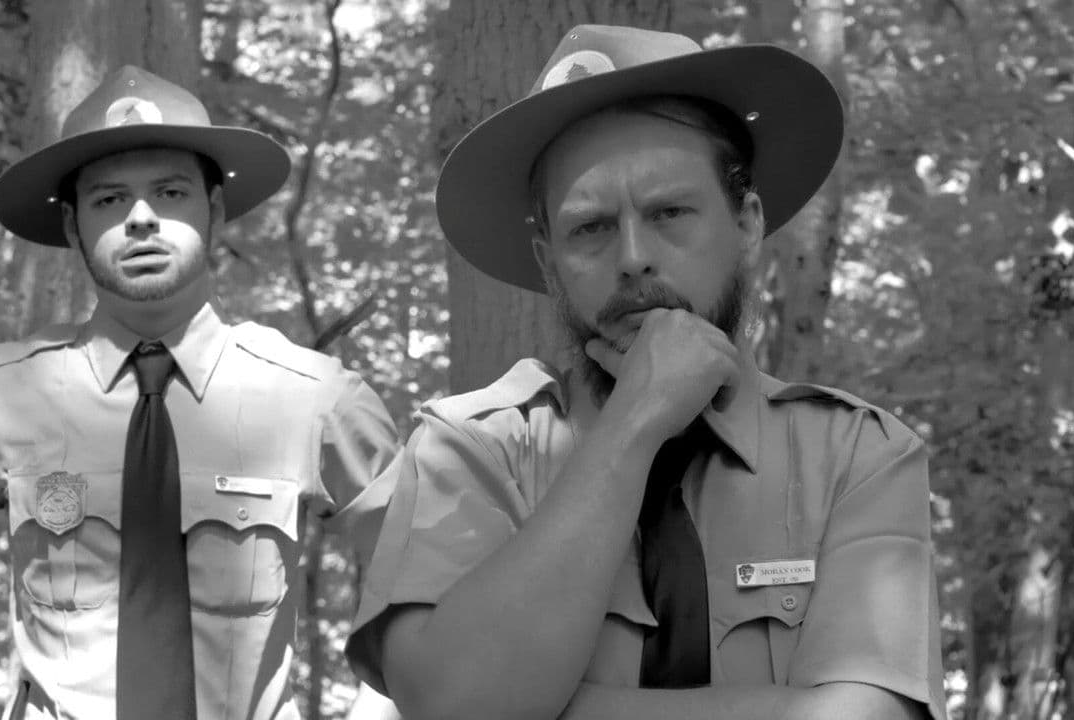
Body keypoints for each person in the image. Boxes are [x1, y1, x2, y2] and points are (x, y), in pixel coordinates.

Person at [346, 25, 947, 720]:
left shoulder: (857, 456)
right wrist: (634, 423)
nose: (633, 257)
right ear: (547, 260)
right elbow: (451, 703)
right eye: (591, 227)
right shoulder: (470, 450)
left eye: (669, 213)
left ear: (747, 224)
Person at [0, 65, 400, 720]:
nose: (142, 218)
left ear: (214, 209)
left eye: (170, 192)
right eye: (110, 200)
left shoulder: (314, 399)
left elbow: (421, 569)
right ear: (74, 226)